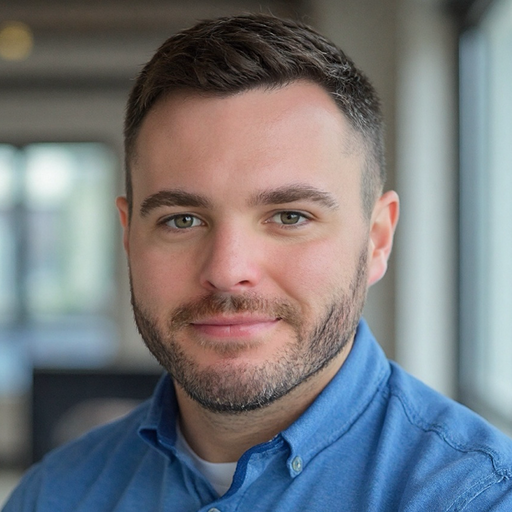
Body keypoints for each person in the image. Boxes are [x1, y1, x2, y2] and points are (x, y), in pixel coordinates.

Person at [4, 13, 512, 512]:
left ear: (377, 239)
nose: (227, 271)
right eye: (182, 220)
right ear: (128, 237)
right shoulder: (52, 495)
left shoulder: (478, 496)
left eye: (290, 216)